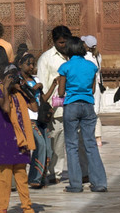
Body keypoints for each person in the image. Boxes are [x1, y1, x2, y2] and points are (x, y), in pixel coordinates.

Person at [53, 37, 107, 193]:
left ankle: (75, 184)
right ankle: (99, 183)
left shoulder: (65, 67)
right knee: (90, 144)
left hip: (71, 105)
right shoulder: (91, 66)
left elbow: (61, 92)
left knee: (71, 145)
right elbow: (92, 90)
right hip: (88, 106)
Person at [0, 64, 43, 213]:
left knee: (22, 177)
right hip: (6, 140)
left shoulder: (20, 93)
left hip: (21, 140)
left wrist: (27, 90)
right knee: (4, 177)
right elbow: (6, 108)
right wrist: (6, 87)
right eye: (11, 76)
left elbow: (35, 107)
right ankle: (2, 210)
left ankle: (28, 210)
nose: (14, 79)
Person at [36, 25, 72, 182]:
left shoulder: (74, 55)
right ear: (55, 42)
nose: (64, 45)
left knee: (72, 143)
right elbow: (42, 84)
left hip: (73, 105)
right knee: (56, 143)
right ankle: (54, 173)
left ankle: (78, 172)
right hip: (55, 108)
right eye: (61, 42)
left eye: (66, 42)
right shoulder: (46, 58)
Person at [20, 51, 53, 188]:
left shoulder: (36, 80)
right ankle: (34, 177)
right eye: (28, 64)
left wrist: (53, 86)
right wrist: (34, 88)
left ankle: (41, 176)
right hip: (29, 118)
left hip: (41, 118)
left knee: (48, 148)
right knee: (40, 144)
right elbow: (24, 96)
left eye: (33, 64)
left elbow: (42, 99)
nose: (31, 67)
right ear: (20, 65)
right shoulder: (19, 81)